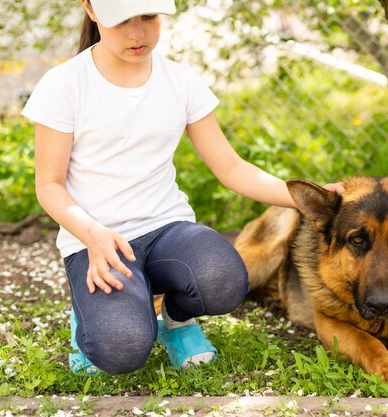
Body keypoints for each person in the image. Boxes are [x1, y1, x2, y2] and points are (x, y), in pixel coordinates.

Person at [21, 0, 343, 375]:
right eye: (121, 20)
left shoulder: (181, 81)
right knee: (122, 349)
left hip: (165, 231)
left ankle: (176, 322)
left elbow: (232, 168)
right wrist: (92, 235)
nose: (137, 33)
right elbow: (49, 185)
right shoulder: (63, 84)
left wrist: (313, 197)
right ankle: (92, 318)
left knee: (225, 280)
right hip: (96, 242)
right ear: (91, 10)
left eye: (149, 17)